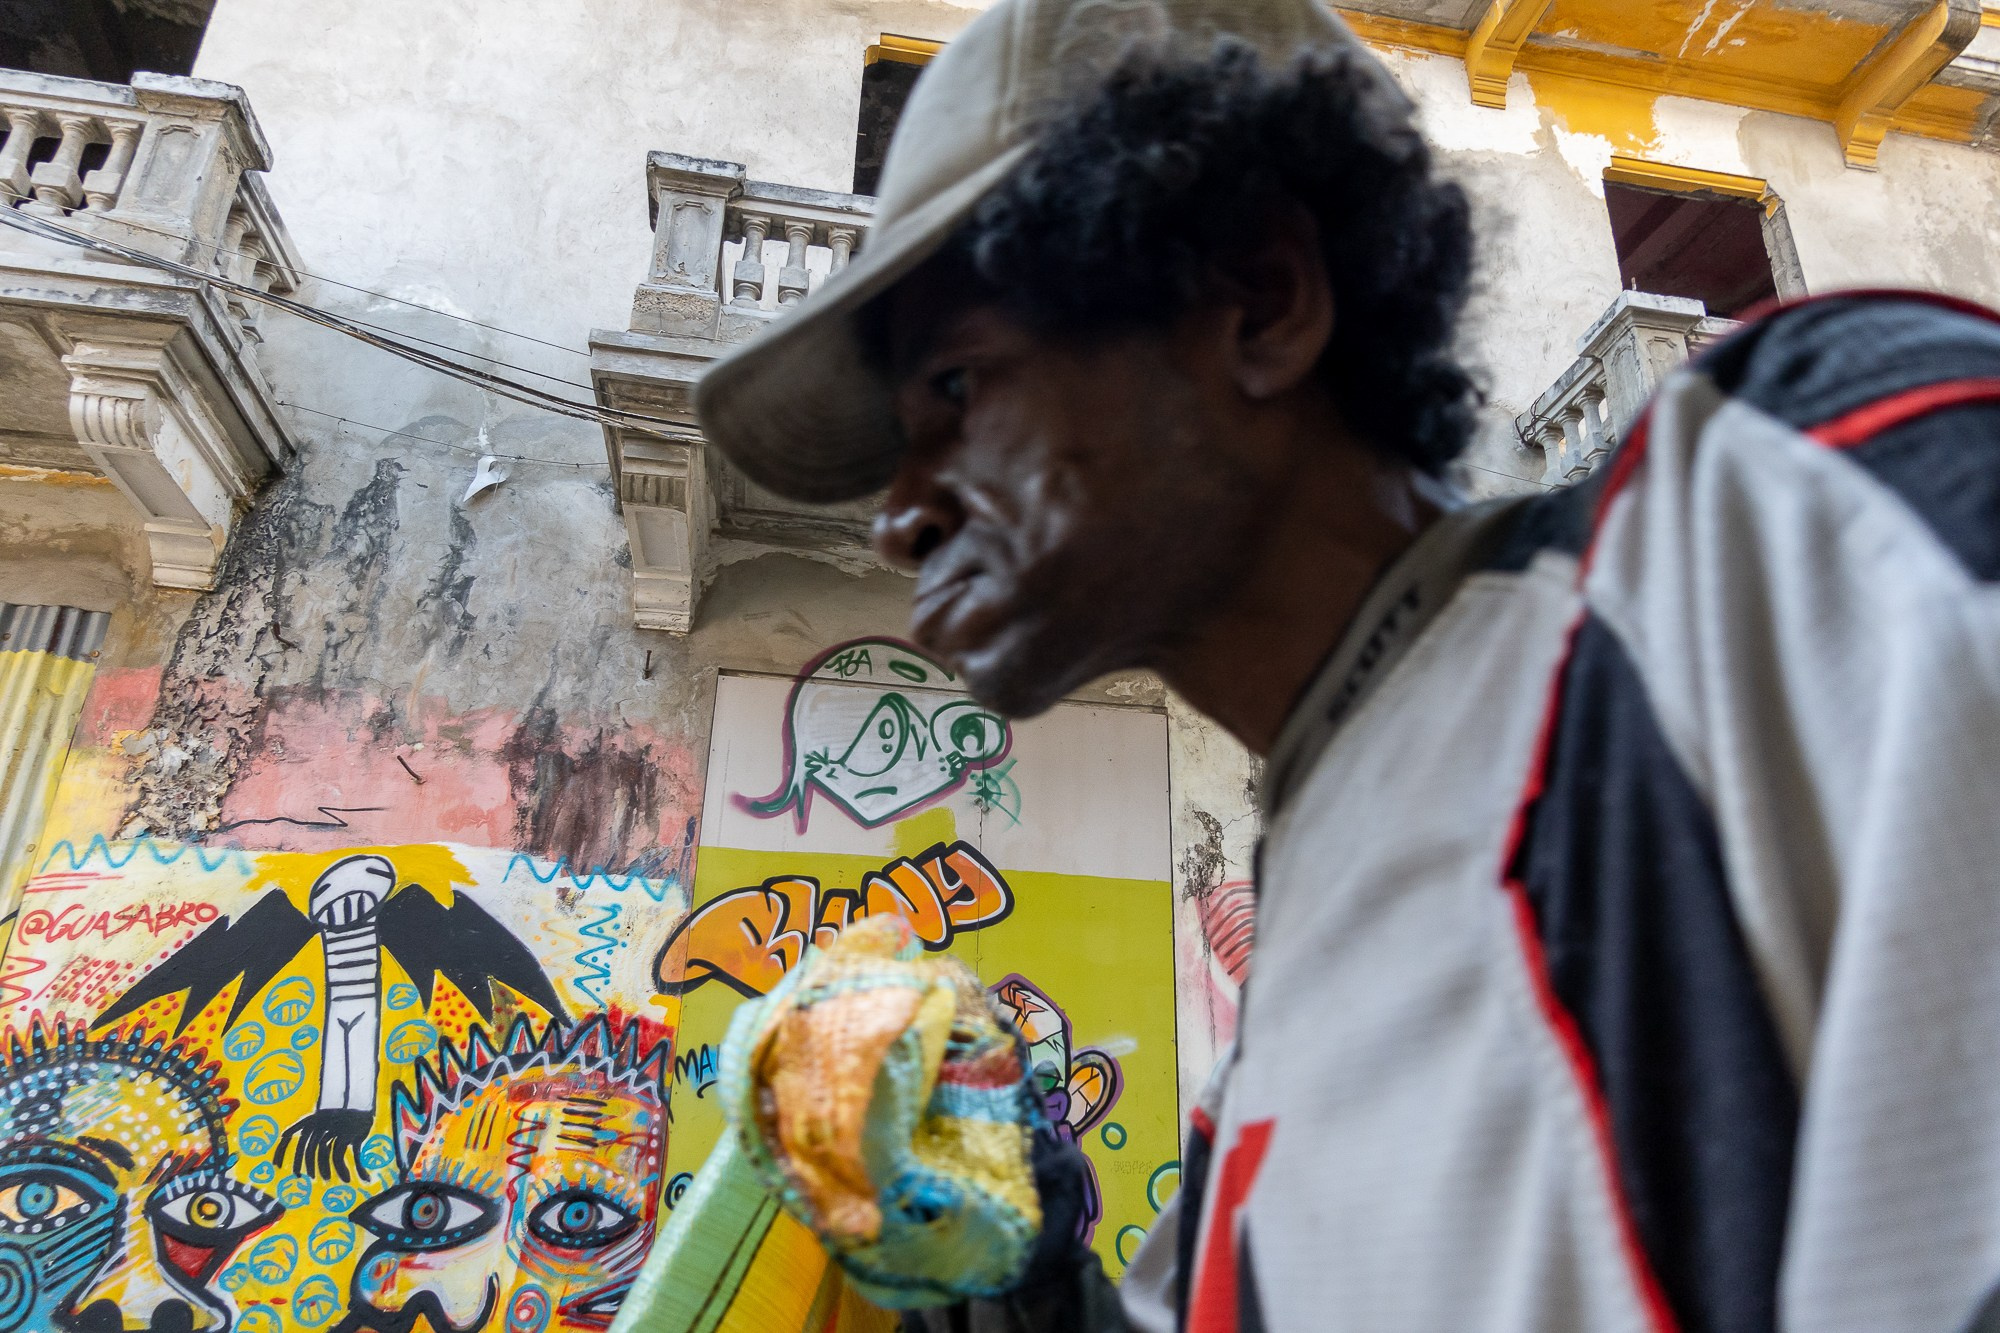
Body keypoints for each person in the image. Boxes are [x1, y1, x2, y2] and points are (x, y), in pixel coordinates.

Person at [693, 0, 2000, 1329]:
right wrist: (992, 1263)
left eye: (960, 388)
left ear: (1262, 303)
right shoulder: (1277, 1043)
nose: (896, 512)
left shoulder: (1783, 503)